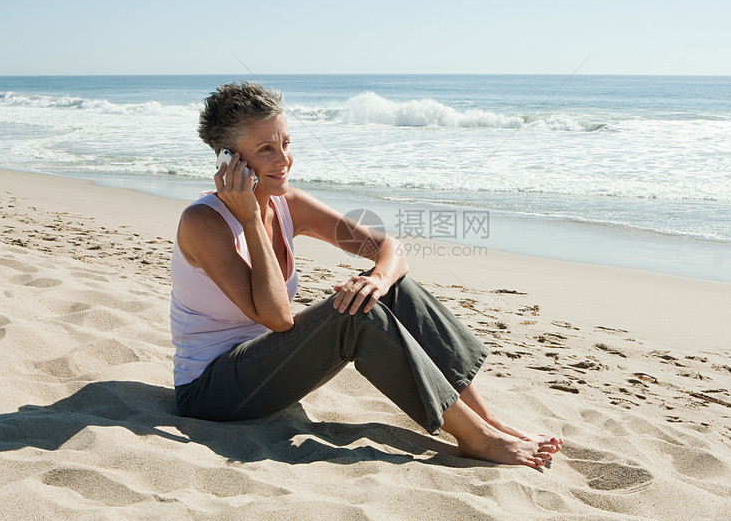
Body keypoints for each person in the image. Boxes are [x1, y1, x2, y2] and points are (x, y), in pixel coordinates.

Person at [170, 82, 563, 468]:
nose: (283, 160)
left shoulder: (289, 203)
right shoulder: (204, 222)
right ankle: (476, 438)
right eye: (266, 149)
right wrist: (252, 219)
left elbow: (391, 248)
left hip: (268, 370)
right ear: (228, 160)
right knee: (355, 314)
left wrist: (378, 279)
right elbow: (277, 318)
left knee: (390, 288)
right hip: (211, 393)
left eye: (286, 143)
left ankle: (488, 422)